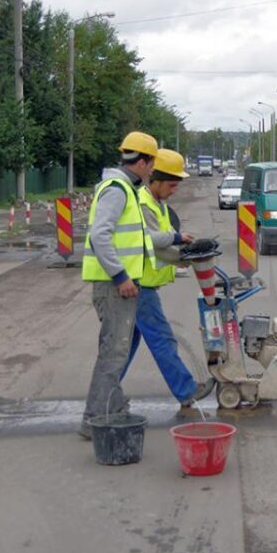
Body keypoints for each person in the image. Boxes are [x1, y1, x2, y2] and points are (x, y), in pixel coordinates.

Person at [79, 131, 158, 439]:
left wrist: (175, 239)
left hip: (116, 285)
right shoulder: (117, 190)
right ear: (143, 162)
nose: (152, 170)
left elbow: (137, 238)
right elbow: (100, 235)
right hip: (113, 287)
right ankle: (95, 419)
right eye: (152, 163)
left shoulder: (125, 188)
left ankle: (112, 407)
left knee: (116, 352)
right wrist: (121, 276)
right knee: (113, 354)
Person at [124, 148, 213, 411]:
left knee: (123, 348)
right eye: (172, 185)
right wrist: (184, 254)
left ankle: (103, 394)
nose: (175, 190)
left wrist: (184, 250)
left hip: (140, 283)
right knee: (162, 339)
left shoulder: (158, 203)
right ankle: (186, 391)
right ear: (156, 180)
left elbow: (165, 239)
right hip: (139, 284)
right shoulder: (143, 204)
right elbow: (151, 242)